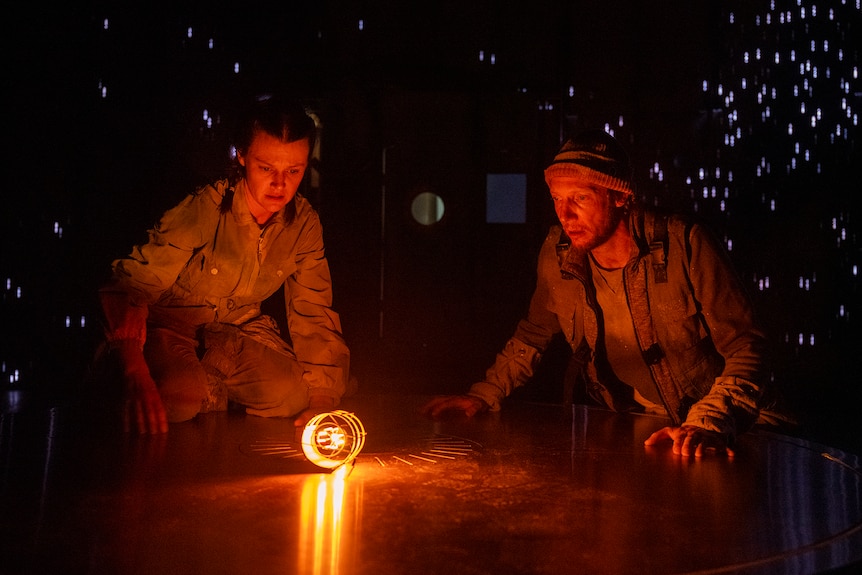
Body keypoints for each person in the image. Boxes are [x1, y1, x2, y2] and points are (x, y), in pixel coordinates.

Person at [423, 130, 776, 457]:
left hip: (731, 428)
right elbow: (534, 334)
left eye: (581, 198)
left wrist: (709, 422)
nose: (565, 213)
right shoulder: (558, 254)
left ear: (621, 196)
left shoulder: (684, 244)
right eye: (557, 198)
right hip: (639, 428)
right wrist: (483, 394)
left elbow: (747, 347)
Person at [98, 94, 350, 434]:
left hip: (234, 336)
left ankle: (210, 385)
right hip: (172, 328)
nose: (280, 184)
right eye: (266, 168)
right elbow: (132, 283)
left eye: (293, 170)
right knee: (176, 401)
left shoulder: (303, 225)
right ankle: (179, 386)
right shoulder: (207, 207)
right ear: (242, 157)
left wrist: (322, 401)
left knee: (299, 395)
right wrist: (133, 370)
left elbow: (314, 311)